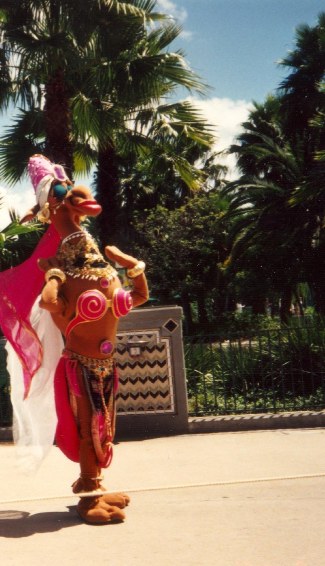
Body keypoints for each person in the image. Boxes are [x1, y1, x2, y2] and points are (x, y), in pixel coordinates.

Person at [0, 154, 149, 524]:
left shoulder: (93, 261)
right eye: (65, 193)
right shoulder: (65, 271)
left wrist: (134, 267)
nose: (76, 197)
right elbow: (50, 305)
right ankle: (88, 499)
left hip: (106, 365)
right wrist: (53, 277)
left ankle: (92, 482)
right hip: (82, 367)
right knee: (89, 430)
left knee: (103, 430)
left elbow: (137, 298)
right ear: (54, 203)